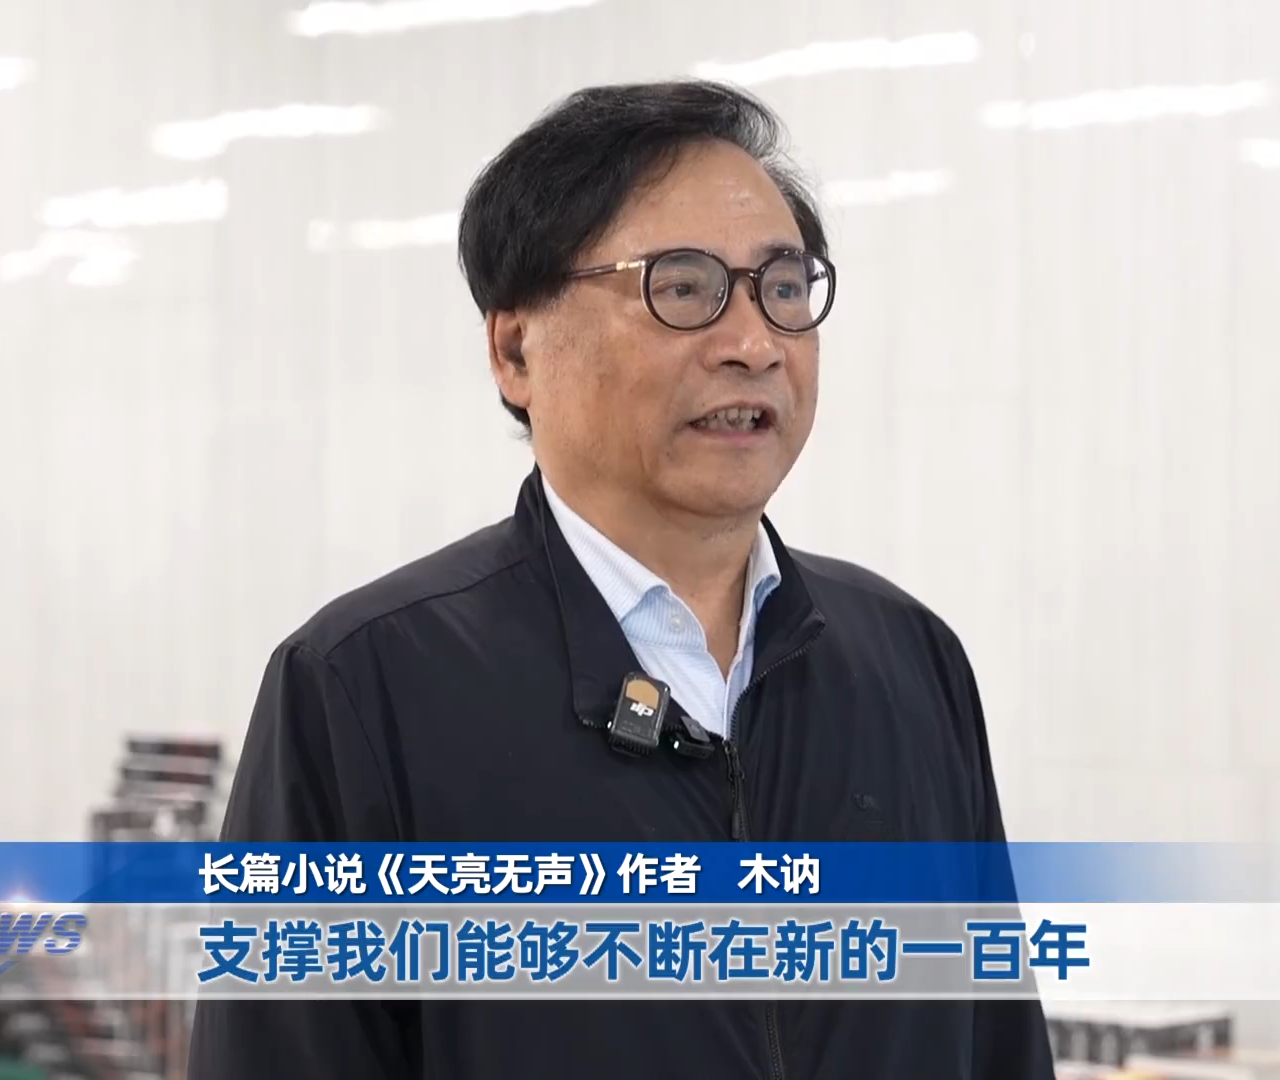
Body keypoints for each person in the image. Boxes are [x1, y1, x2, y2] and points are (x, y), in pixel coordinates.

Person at [188, 79, 1053, 1080]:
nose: (754, 345)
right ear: (516, 348)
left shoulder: (909, 661)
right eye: (682, 289)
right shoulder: (364, 686)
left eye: (783, 289)